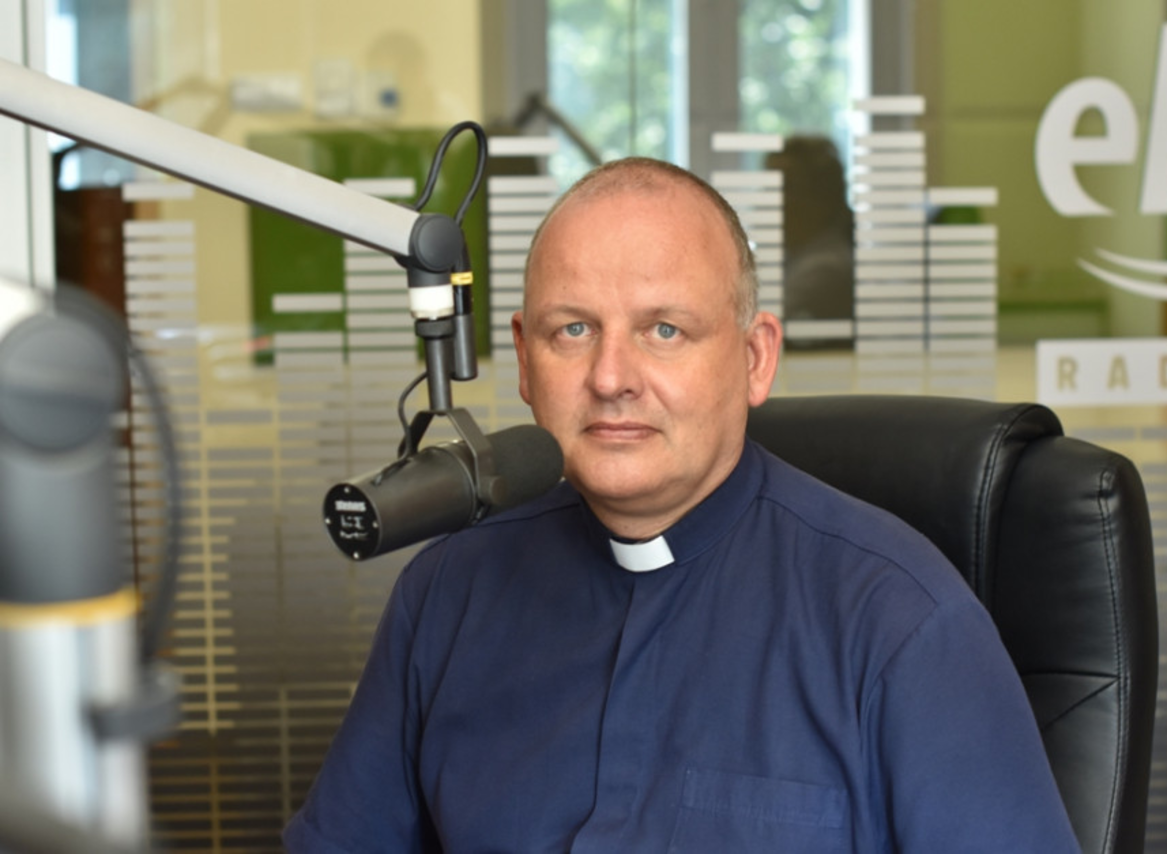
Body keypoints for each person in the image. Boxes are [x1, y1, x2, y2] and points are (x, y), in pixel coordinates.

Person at [284, 157, 1080, 852]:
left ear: (756, 358)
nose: (611, 377)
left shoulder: (902, 621)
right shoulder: (446, 594)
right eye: (573, 331)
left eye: (664, 330)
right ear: (524, 361)